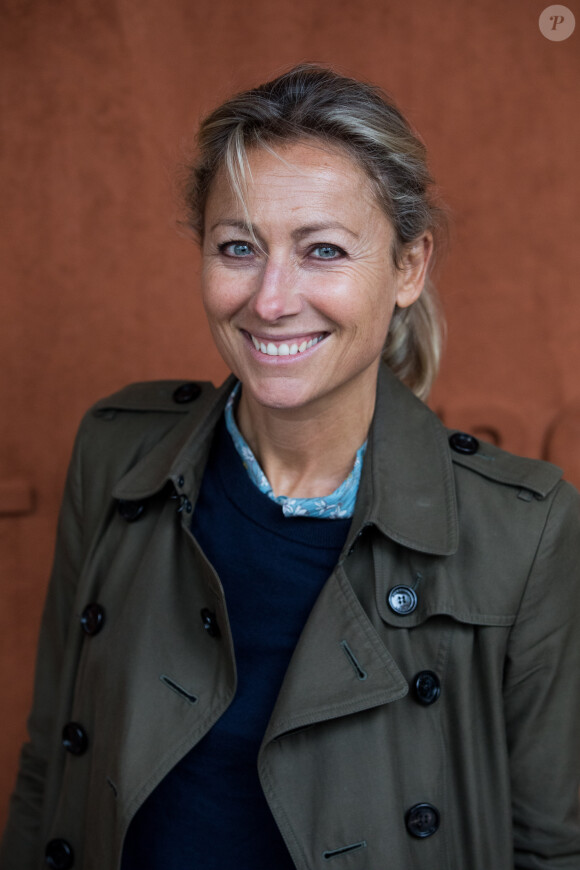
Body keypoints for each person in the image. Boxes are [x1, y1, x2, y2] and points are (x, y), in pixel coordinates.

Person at [1, 63, 580, 870]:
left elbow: (552, 848)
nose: (271, 299)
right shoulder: (116, 452)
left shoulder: (527, 527)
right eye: (238, 247)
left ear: (409, 267)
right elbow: (49, 771)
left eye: (323, 251)